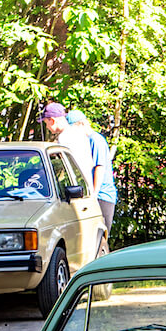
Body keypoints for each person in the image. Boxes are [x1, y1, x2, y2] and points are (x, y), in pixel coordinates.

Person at [66, 109, 118, 244]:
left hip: (102, 196)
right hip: (95, 195)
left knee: (100, 239)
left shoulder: (96, 140)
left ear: (80, 124)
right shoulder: (86, 141)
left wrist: (94, 193)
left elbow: (100, 167)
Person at [40, 102, 95, 190]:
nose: (47, 127)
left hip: (76, 186)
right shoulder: (78, 133)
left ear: (53, 120)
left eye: (46, 123)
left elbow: (64, 166)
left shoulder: (64, 137)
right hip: (86, 184)